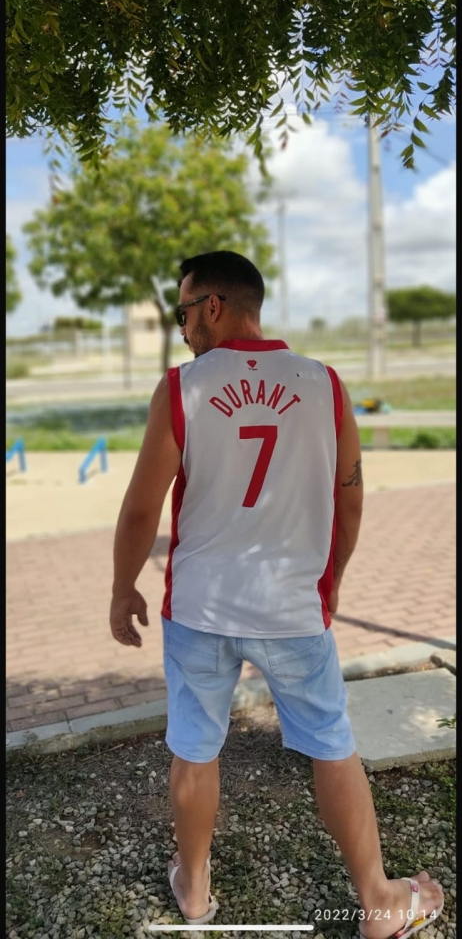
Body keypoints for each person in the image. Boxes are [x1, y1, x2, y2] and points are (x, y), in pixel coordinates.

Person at [110, 251, 444, 936]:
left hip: (200, 606)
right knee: (330, 743)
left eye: (183, 313)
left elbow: (141, 508)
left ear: (212, 305)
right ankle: (378, 901)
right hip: (292, 606)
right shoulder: (325, 385)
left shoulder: (182, 388)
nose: (182, 330)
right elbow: (350, 501)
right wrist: (333, 579)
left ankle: (194, 891)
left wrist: (122, 587)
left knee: (196, 747)